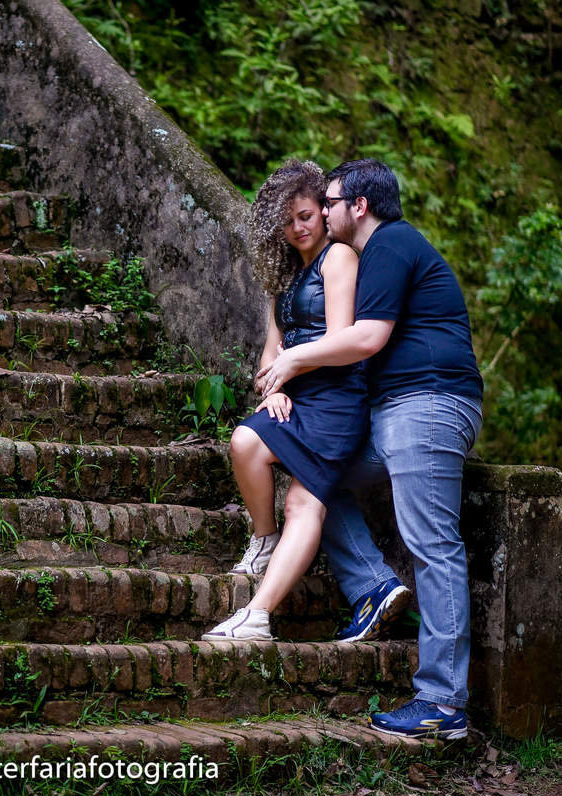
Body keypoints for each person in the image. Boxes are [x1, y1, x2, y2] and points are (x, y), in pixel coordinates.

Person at [258, 158, 484, 740]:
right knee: (318, 476)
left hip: (428, 405)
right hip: (395, 413)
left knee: (433, 545)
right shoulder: (373, 252)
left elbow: (366, 337)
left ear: (359, 207)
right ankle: (373, 586)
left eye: (329, 202)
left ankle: (443, 703)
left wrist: (292, 360)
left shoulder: (391, 244)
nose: (323, 211)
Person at [203, 159, 371, 642]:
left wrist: (289, 371)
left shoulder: (339, 258)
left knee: (303, 504)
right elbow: (269, 354)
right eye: (287, 220)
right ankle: (264, 538)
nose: (297, 228)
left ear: (323, 211)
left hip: (336, 400)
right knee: (245, 442)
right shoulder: (284, 278)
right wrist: (274, 388)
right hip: (296, 396)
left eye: (305, 216)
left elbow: (339, 340)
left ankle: (257, 616)